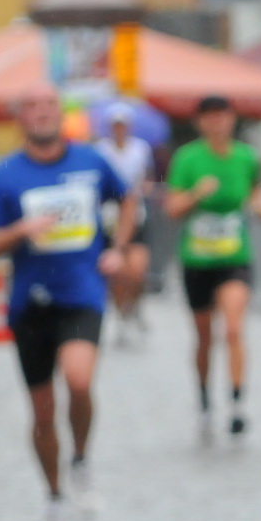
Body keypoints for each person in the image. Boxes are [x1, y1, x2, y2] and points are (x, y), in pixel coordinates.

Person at [0, 83, 135, 521]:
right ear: (21, 117)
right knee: (43, 412)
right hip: (30, 302)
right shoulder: (5, 176)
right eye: (33, 105)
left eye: (49, 105)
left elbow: (126, 199)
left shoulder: (89, 161)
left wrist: (118, 249)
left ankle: (81, 459)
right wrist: (21, 230)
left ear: (59, 114)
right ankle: (53, 497)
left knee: (80, 380)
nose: (43, 113)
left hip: (82, 292)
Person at [165, 95, 261, 438]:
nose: (217, 123)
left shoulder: (245, 157)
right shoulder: (187, 158)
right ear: (200, 122)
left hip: (234, 257)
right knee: (204, 336)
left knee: (234, 329)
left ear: (232, 119)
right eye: (209, 117)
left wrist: (260, 204)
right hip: (197, 260)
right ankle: (205, 400)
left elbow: (256, 189)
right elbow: (172, 208)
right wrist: (196, 194)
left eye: (223, 116)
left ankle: (238, 403)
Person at [93, 102, 155, 342]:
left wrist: (146, 187)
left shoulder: (140, 149)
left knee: (137, 270)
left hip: (135, 215)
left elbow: (149, 174)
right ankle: (121, 314)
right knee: (117, 272)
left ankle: (134, 306)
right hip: (110, 216)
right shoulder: (101, 150)